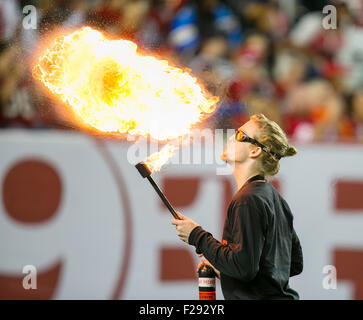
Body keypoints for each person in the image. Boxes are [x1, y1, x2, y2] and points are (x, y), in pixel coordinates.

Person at [171, 113, 303, 299]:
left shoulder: (248, 199)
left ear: (255, 151)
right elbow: (291, 263)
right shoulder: (274, 198)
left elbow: (244, 267)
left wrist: (196, 236)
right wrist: (226, 271)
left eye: (240, 135)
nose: (232, 136)